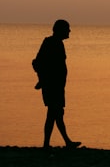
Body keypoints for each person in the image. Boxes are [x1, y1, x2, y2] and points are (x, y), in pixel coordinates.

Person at [33, 19, 81, 149]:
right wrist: (42, 80)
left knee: (57, 114)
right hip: (53, 86)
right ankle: (47, 144)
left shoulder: (57, 43)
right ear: (61, 30)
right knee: (53, 114)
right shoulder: (51, 43)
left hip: (57, 86)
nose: (69, 31)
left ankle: (66, 141)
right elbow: (37, 62)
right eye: (67, 29)